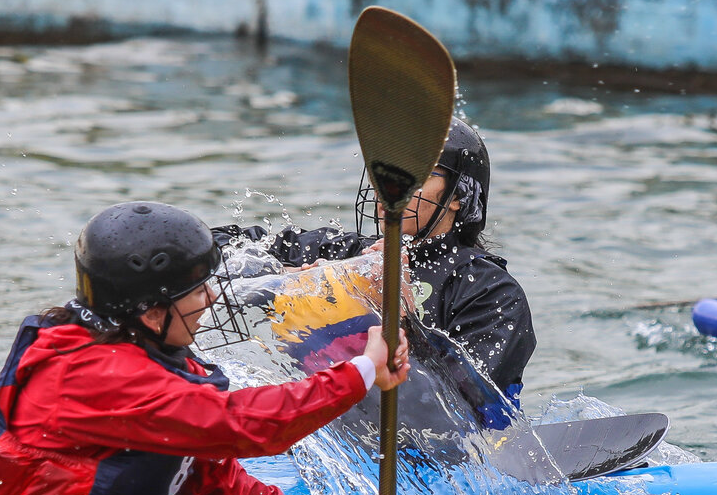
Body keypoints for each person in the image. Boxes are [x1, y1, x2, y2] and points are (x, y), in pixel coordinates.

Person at [0, 201, 410, 495]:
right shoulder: (90, 374)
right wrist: (360, 372)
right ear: (150, 311)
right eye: (197, 290)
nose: (210, 298)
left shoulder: (155, 362)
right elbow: (244, 426)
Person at [215, 116, 536, 412]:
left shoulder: (492, 294)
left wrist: (405, 323)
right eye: (387, 169)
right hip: (337, 422)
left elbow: (465, 409)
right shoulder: (346, 253)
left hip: (442, 459)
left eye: (417, 173)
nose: (392, 185)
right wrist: (282, 277)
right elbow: (211, 246)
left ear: (458, 196)